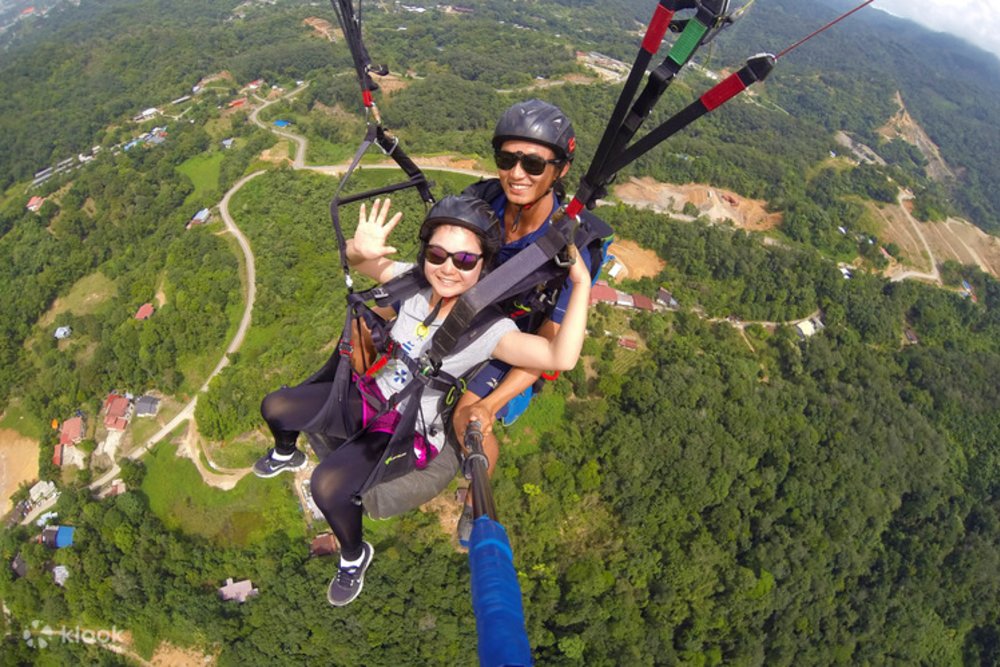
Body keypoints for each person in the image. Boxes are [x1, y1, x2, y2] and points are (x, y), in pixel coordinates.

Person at [254, 194, 592, 606]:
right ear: (425, 255)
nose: (448, 268)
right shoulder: (413, 282)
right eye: (438, 254)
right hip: (370, 395)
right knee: (276, 407)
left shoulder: (490, 329)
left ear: (484, 264)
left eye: (465, 261)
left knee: (327, 486)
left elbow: (560, 357)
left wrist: (581, 283)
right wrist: (358, 249)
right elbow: (362, 263)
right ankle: (287, 453)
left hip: (406, 429)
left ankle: (353, 555)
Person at [452, 99, 607, 544]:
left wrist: (492, 401)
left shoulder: (577, 244)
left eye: (533, 163)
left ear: (559, 169)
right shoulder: (481, 200)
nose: (516, 174)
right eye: (507, 159)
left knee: (471, 422)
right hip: (465, 314)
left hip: (520, 337)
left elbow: (550, 339)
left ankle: (473, 504)